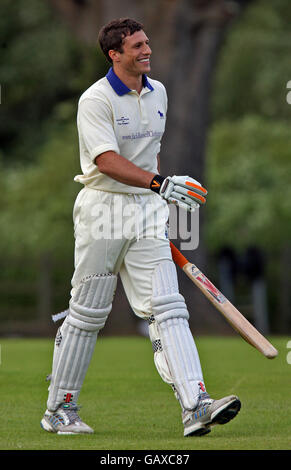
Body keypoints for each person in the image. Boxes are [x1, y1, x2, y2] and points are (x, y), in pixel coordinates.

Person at [41, 18, 241, 437]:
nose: (147, 50)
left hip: (148, 209)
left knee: (169, 307)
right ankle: (61, 408)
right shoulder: (95, 100)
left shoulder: (159, 91)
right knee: (89, 312)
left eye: (147, 42)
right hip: (102, 209)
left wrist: (160, 193)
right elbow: (107, 161)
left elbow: (151, 156)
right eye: (137, 46)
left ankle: (195, 405)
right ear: (115, 55)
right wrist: (160, 184)